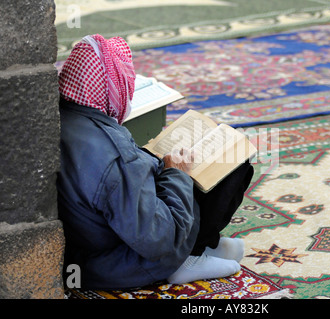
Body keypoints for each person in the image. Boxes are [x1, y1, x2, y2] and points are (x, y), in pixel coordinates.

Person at [57, 34, 254, 289]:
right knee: (233, 166)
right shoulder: (116, 156)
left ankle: (207, 246)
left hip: (81, 255)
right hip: (118, 263)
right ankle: (189, 258)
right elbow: (160, 239)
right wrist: (177, 174)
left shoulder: (59, 117)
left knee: (166, 166)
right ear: (112, 85)